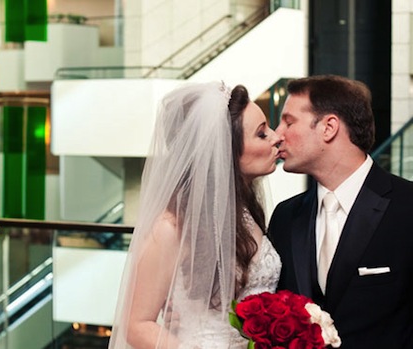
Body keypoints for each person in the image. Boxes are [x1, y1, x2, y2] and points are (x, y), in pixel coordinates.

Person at [108, 81, 282, 349]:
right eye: (262, 134)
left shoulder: (244, 211)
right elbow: (136, 325)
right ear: (226, 150)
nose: (276, 137)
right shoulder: (171, 227)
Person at [269, 74, 413, 348]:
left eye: (288, 121)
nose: (278, 134)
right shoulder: (285, 217)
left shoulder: (408, 207)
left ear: (329, 127)